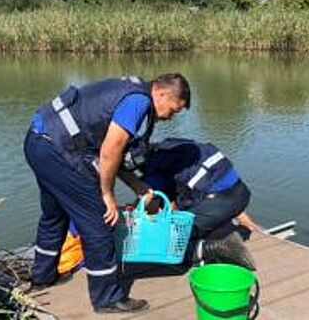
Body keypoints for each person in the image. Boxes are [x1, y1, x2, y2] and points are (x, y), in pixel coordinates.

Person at [23, 73, 190, 313]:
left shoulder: (130, 89)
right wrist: (107, 194)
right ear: (161, 93)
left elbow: (110, 151)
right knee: (99, 223)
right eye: (173, 110)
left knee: (55, 214)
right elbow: (110, 152)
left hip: (39, 140)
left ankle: (42, 277)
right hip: (59, 150)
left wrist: (138, 186)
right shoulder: (139, 102)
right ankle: (107, 299)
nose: (169, 117)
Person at [120, 137, 259, 271]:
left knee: (169, 247)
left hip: (218, 203)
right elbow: (216, 181)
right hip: (241, 195)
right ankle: (214, 228)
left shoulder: (154, 169)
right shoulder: (172, 146)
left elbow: (152, 205)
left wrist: (137, 219)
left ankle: (221, 247)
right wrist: (246, 220)